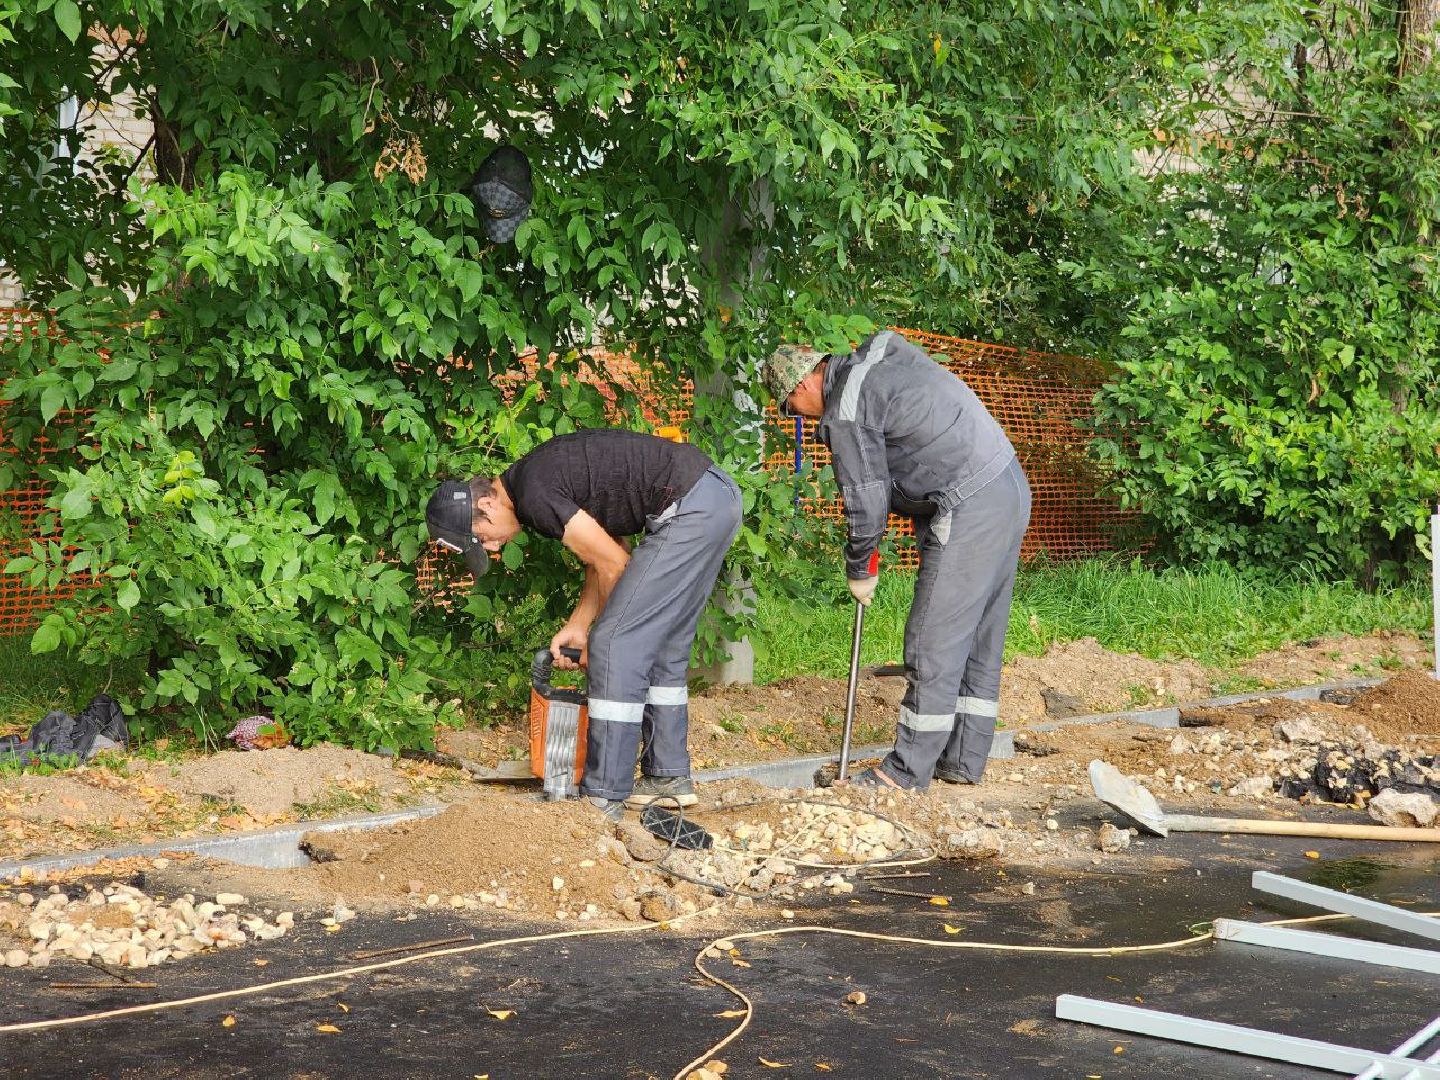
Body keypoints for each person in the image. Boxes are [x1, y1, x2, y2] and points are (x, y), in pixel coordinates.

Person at [424, 429, 742, 821]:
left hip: (689, 507)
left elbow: (614, 565)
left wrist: (597, 638)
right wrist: (579, 624)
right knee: (663, 642)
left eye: (481, 537)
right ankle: (667, 777)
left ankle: (603, 797)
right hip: (712, 497)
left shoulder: (535, 494)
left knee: (615, 644)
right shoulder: (532, 484)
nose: (490, 548)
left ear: (487, 504)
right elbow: (609, 550)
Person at [762, 331, 1031, 789]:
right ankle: (961, 761)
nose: (797, 418)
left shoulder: (847, 406)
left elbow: (865, 501)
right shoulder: (877, 365)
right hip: (1007, 485)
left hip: (969, 502)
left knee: (933, 641)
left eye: (790, 409)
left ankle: (904, 774)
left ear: (803, 384)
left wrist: (859, 566)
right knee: (979, 640)